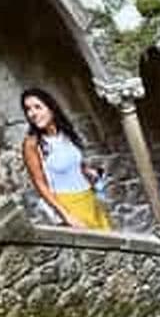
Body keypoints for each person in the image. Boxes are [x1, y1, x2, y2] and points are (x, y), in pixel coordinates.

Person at [21, 88, 112, 231]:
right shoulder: (32, 143)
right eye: (28, 109)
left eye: (38, 107)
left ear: (51, 108)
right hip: (69, 203)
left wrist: (89, 172)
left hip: (89, 197)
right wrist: (66, 216)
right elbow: (40, 183)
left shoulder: (65, 133)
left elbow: (75, 165)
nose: (33, 113)